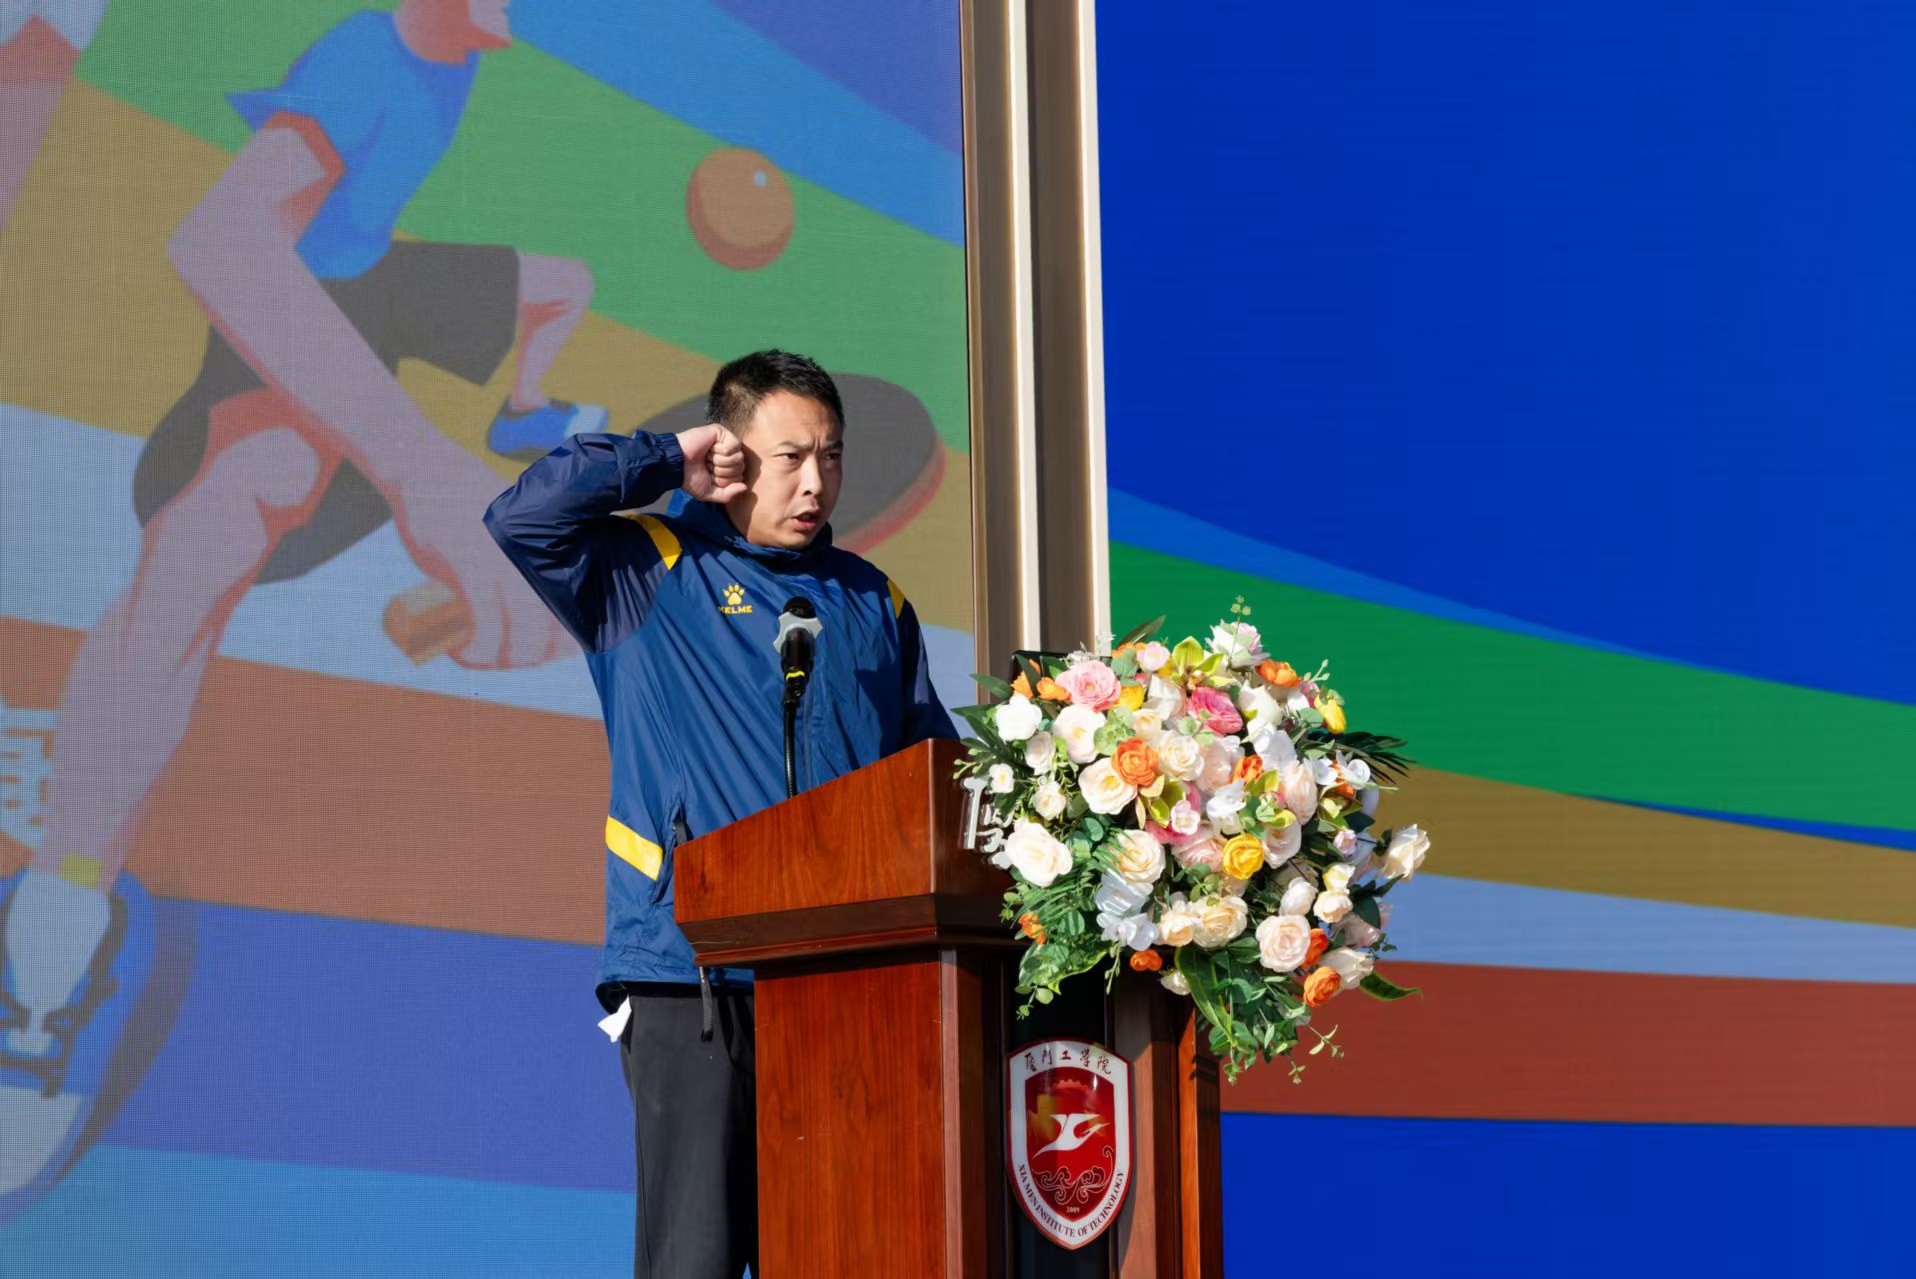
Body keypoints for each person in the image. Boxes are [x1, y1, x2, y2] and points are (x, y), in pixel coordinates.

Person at [0, 0, 597, 1217]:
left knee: (565, 284)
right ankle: (51, 949)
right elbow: (222, 240)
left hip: (368, 280)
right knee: (215, 527)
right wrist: (424, 475)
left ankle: (525, 411)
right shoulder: (367, 62)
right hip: (316, 305)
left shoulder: (453, 59)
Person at [484, 350, 957, 1278]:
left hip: (844, 986)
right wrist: (666, 458)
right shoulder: (645, 567)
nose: (816, 482)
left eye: (831, 455)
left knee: (837, 1253)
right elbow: (521, 517)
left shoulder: (875, 602)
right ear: (732, 455)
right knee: (693, 1259)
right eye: (791, 457)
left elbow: (931, 786)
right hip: (689, 974)